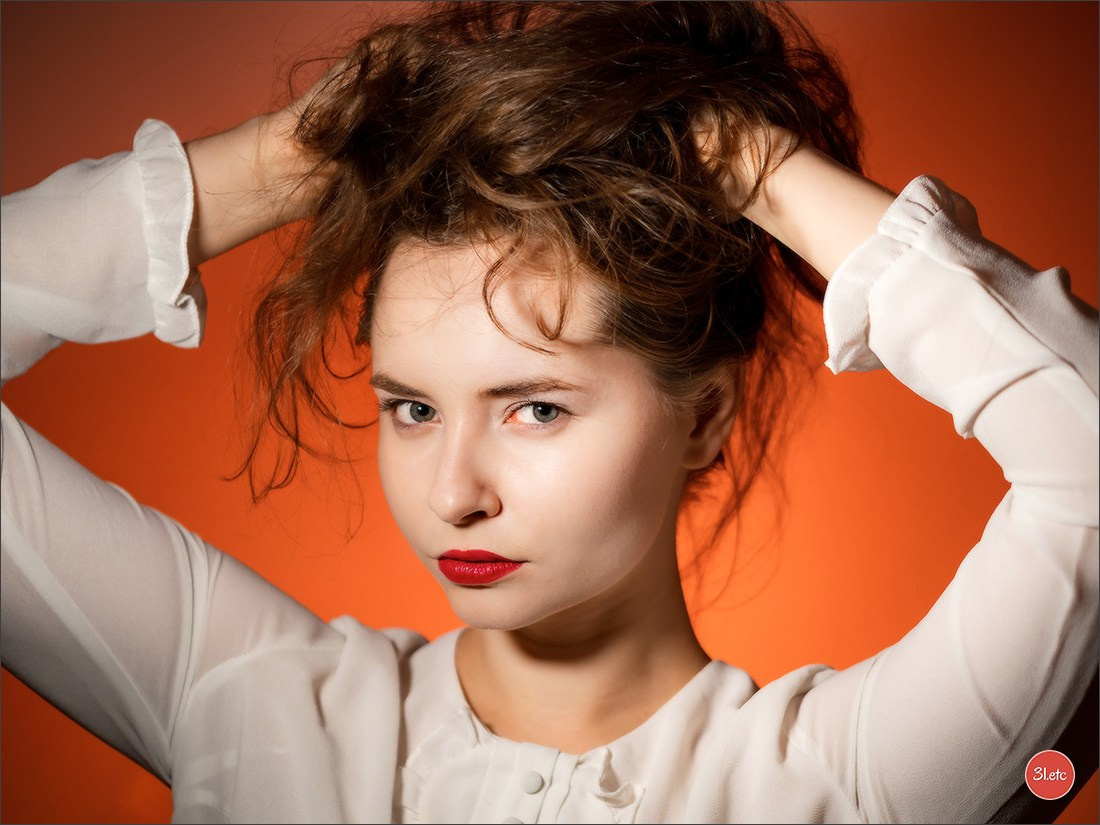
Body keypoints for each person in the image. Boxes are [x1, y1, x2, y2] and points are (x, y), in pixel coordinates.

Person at [1, 1, 1097, 823]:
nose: (451, 493)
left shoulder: (844, 780)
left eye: (533, 409)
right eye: (413, 408)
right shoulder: (253, 702)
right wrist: (279, 161)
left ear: (704, 416)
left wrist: (752, 166)